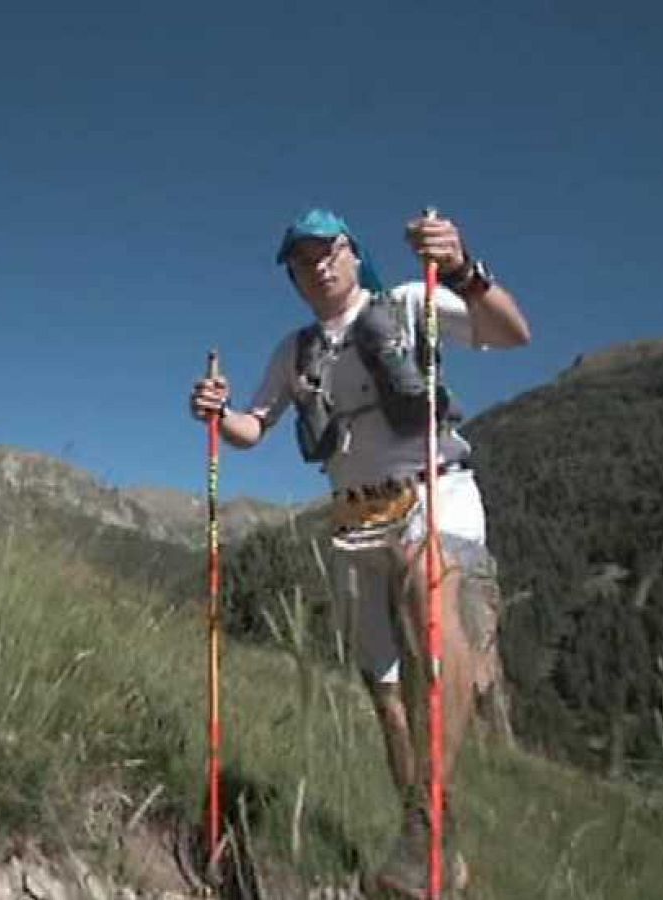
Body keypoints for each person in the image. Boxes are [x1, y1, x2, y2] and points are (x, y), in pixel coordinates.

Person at [188, 208, 530, 897]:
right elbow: (256, 426)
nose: (316, 267)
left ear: (351, 253)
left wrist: (463, 267)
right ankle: (437, 843)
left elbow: (509, 332)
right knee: (389, 701)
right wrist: (221, 414)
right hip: (355, 519)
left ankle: (420, 828)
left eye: (326, 252)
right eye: (300, 261)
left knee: (428, 601)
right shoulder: (295, 351)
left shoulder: (407, 302)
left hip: (434, 491)